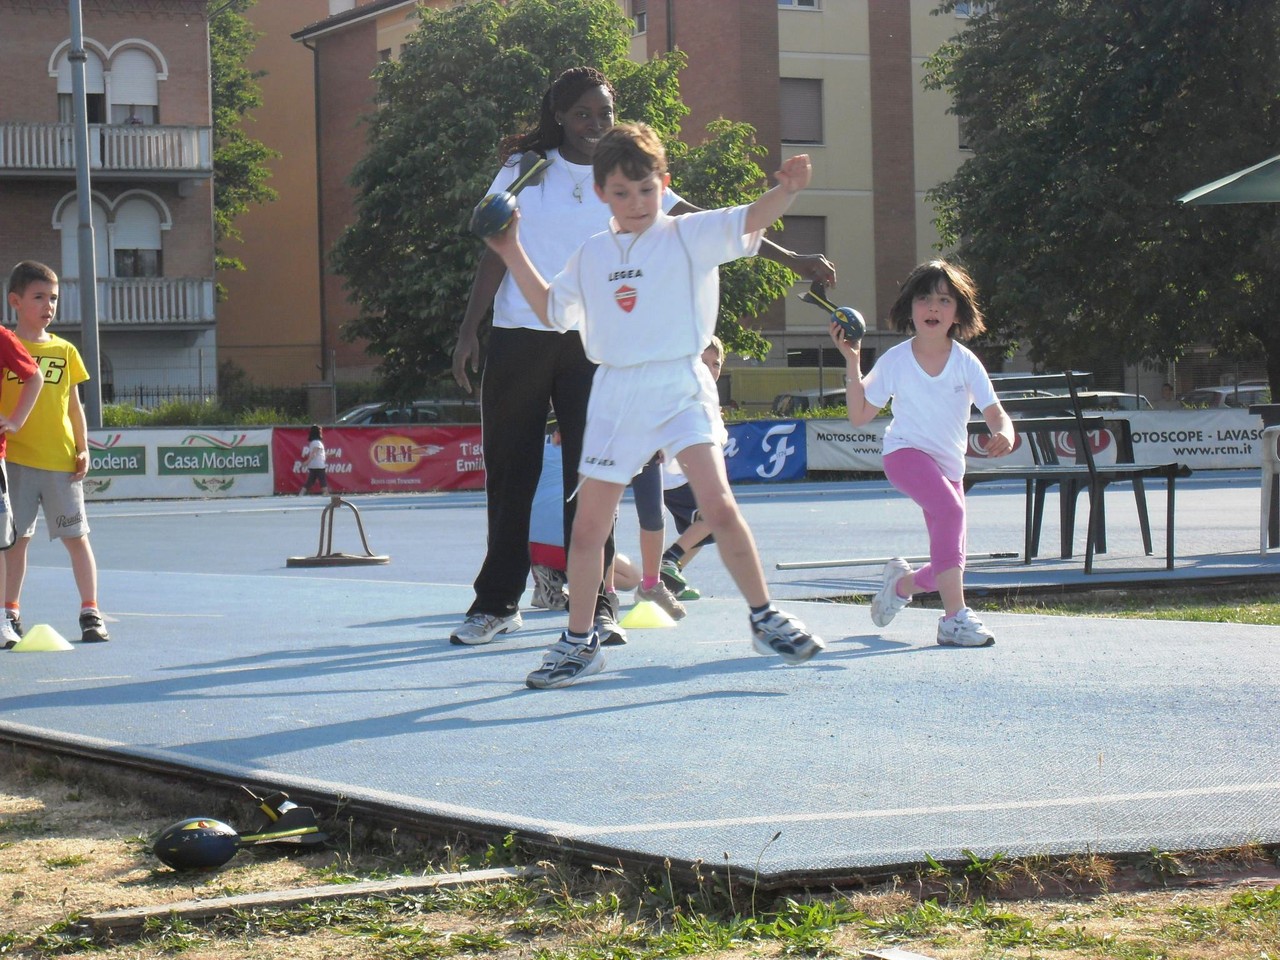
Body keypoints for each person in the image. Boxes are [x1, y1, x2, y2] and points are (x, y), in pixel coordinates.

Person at [450, 66, 836, 650]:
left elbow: (712, 223)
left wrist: (794, 257)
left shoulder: (628, 175)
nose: (595, 124)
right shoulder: (525, 170)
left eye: (604, 114)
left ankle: (598, 609)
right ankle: (497, 602)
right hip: (522, 331)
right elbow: (495, 251)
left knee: (593, 481)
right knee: (512, 473)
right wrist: (469, 328)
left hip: (595, 343)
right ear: (558, 116)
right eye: (583, 114)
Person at [832, 258, 1015, 647]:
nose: (933, 307)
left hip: (950, 467)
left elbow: (995, 410)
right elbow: (860, 415)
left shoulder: (967, 362)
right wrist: (852, 361)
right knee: (951, 514)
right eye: (924, 298)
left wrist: (1004, 431)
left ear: (958, 313)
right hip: (905, 455)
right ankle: (954, 620)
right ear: (910, 308)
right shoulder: (895, 360)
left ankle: (901, 587)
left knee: (952, 560)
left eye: (944, 300)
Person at [1, 260, 108, 645]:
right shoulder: (6, 348)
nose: (49, 305)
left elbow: (73, 406)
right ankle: (10, 613)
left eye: (54, 298)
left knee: (77, 537)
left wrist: (83, 447)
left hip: (61, 462)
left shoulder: (65, 351)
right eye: (39, 297)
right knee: (15, 541)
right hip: (15, 462)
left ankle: (90, 611)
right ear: (15, 300)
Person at [659, 336, 726, 601]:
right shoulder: (687, 393)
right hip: (678, 475)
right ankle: (668, 562)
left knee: (702, 532)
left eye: (716, 363)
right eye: (703, 362)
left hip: (678, 476)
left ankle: (666, 580)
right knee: (717, 515)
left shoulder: (707, 396)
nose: (710, 369)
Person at [298, 425, 329, 495]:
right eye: (320, 431)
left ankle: (301, 493)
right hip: (319, 466)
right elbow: (314, 454)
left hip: (314, 465)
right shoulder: (317, 442)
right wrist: (306, 462)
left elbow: (319, 454)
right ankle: (326, 494)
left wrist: (329, 455)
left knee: (310, 481)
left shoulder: (314, 442)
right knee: (322, 482)